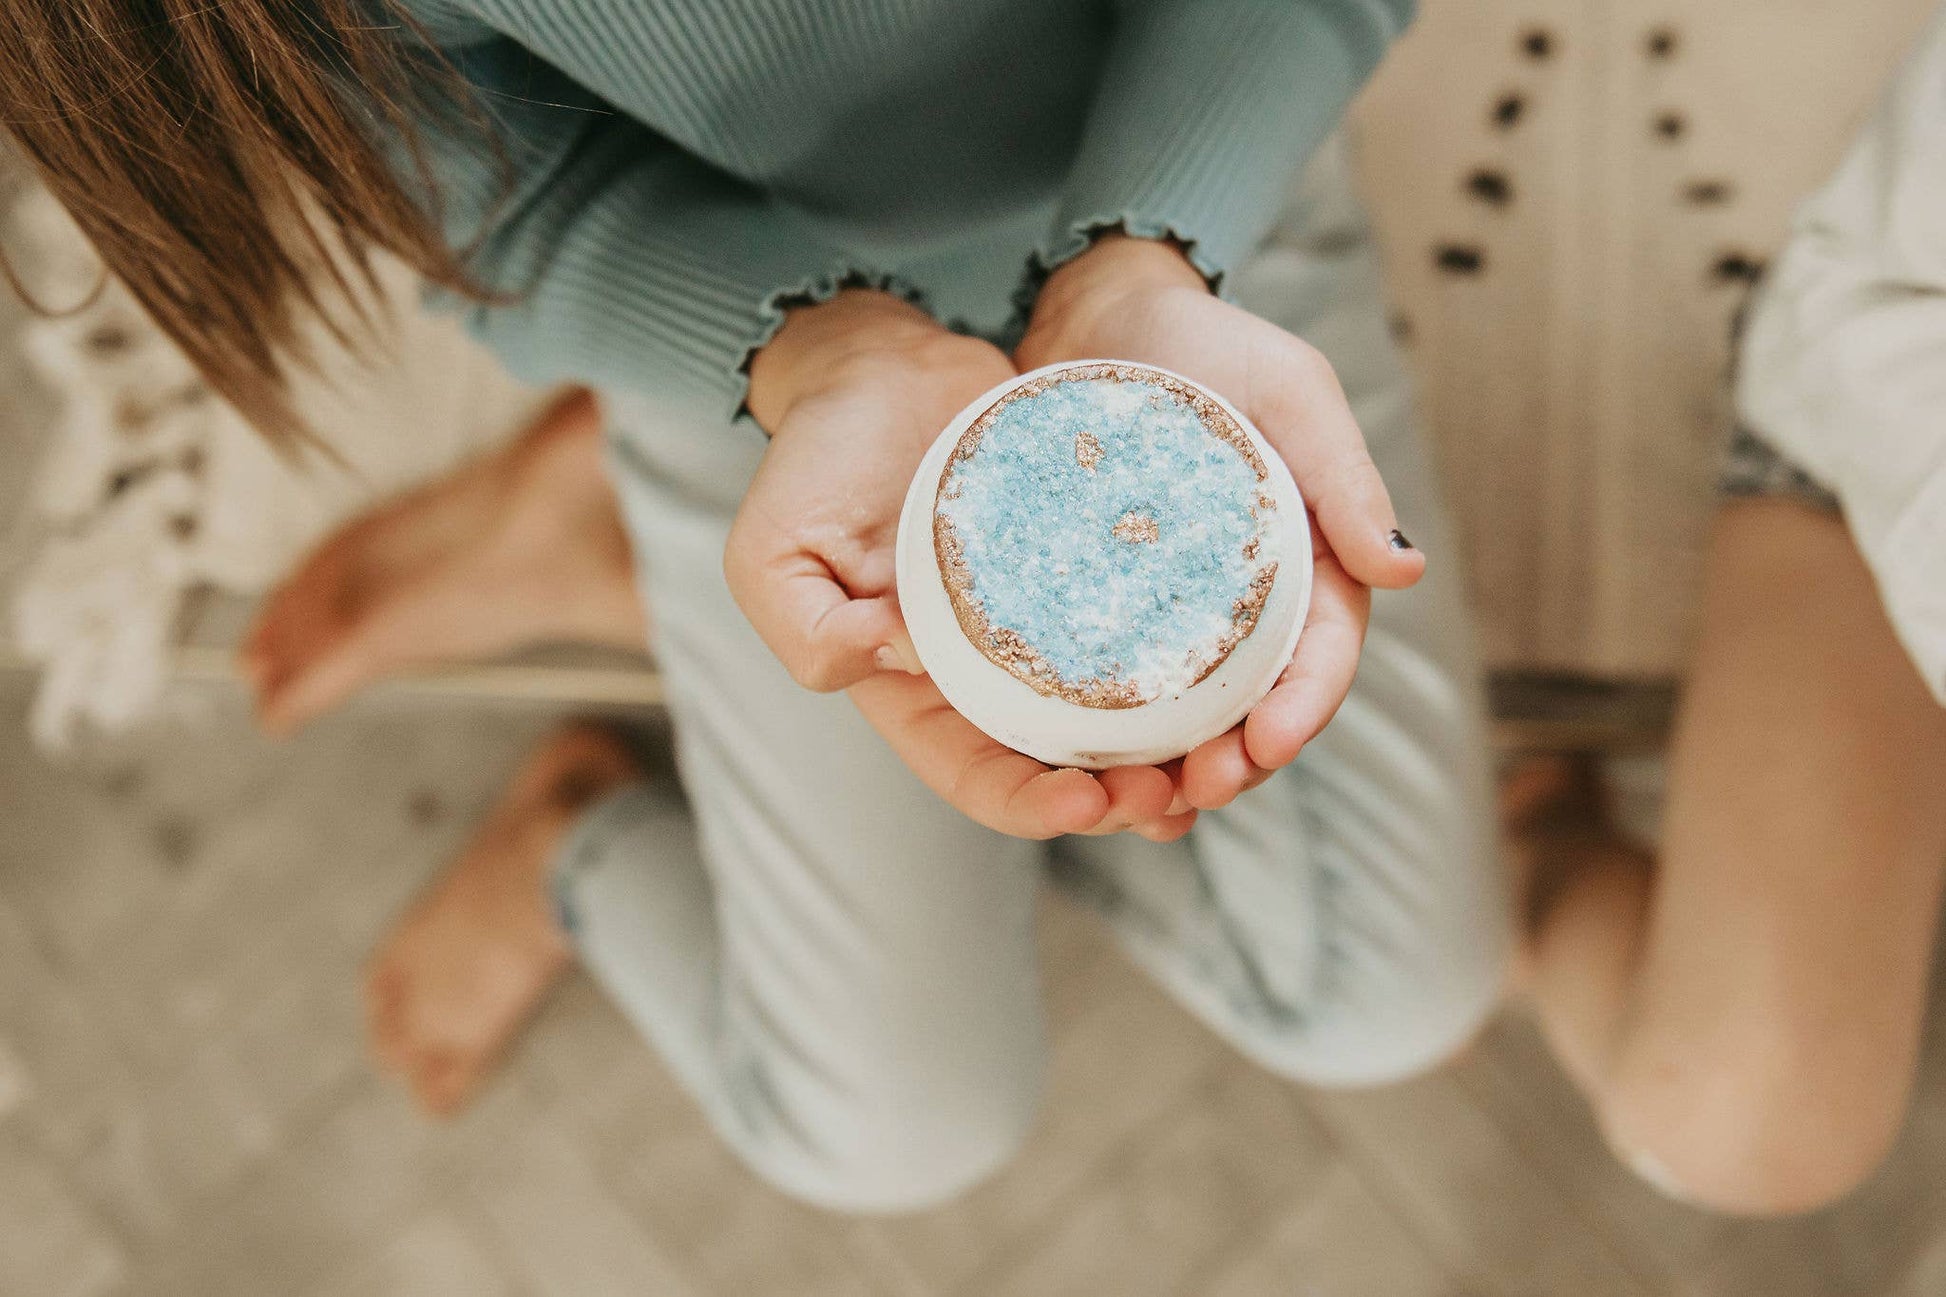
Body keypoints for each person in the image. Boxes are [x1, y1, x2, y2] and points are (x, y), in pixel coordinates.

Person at [5, 1, 1509, 1211]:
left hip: (1195, 212)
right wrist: (817, 354)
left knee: (1393, 1003)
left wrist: (1150, 251)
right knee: (883, 1137)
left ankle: (603, 558)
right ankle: (579, 819)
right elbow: (500, 206)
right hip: (771, 348)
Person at [1512, 8, 1946, 1219]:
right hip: (1879, 429)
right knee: (1735, 1130)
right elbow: (1893, 292)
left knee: (1737, 1127)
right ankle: (1537, 837)